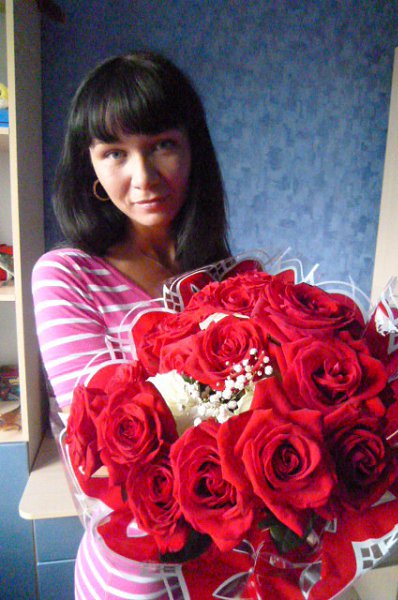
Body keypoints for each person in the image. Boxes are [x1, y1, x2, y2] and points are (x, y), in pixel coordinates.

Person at [32, 51, 230, 599]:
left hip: (232, 571)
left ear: (192, 149)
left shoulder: (226, 276)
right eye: (115, 153)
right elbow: (110, 447)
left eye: (162, 145)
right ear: (90, 166)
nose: (143, 177)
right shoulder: (66, 276)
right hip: (132, 580)